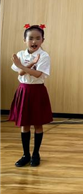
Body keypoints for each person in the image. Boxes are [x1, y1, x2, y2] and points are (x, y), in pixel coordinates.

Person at [9, 24, 53, 167]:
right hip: (23, 90)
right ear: (25, 40)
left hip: (37, 91)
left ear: (42, 40)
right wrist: (29, 64)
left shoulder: (44, 56)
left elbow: (38, 74)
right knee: (25, 124)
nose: (34, 41)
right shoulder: (21, 54)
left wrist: (23, 66)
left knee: (38, 124)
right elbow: (20, 73)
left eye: (38, 38)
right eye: (31, 38)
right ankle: (25, 154)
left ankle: (35, 154)